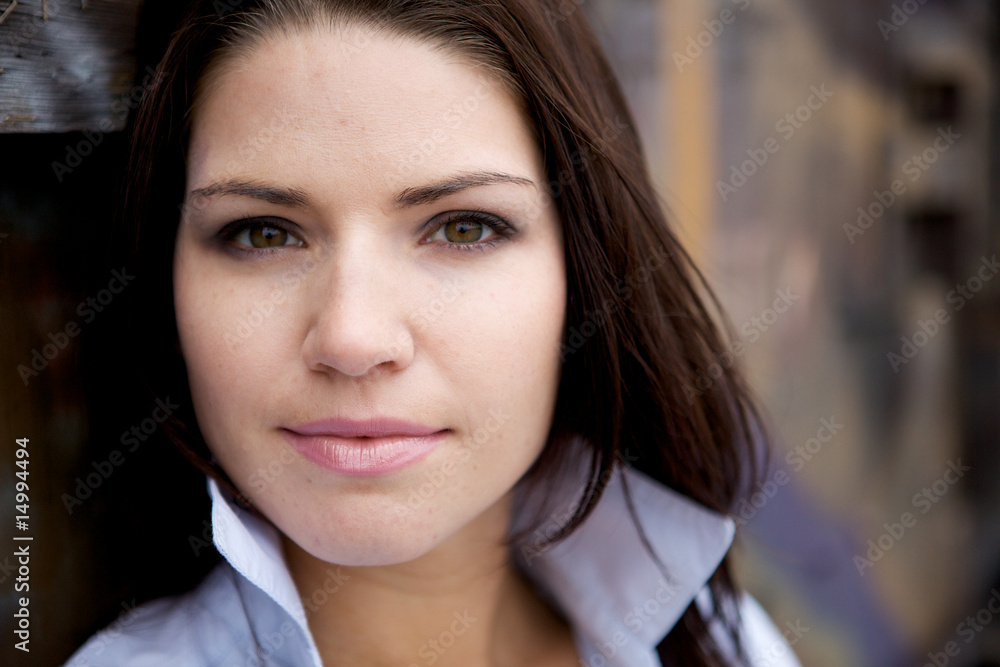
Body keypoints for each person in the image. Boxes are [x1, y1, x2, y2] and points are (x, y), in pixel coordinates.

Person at [67, 0, 801, 665]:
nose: (353, 339)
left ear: (584, 275)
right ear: (164, 287)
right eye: (264, 234)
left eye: (462, 227)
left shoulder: (724, 641)